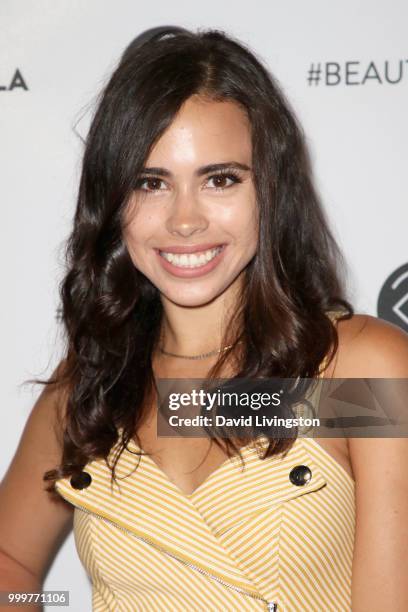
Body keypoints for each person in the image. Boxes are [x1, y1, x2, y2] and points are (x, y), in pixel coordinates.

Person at [1, 26, 408, 612]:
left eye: (221, 179)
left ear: (270, 188)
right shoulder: (92, 387)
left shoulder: (357, 372)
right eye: (150, 183)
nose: (184, 220)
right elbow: (9, 562)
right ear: (113, 203)